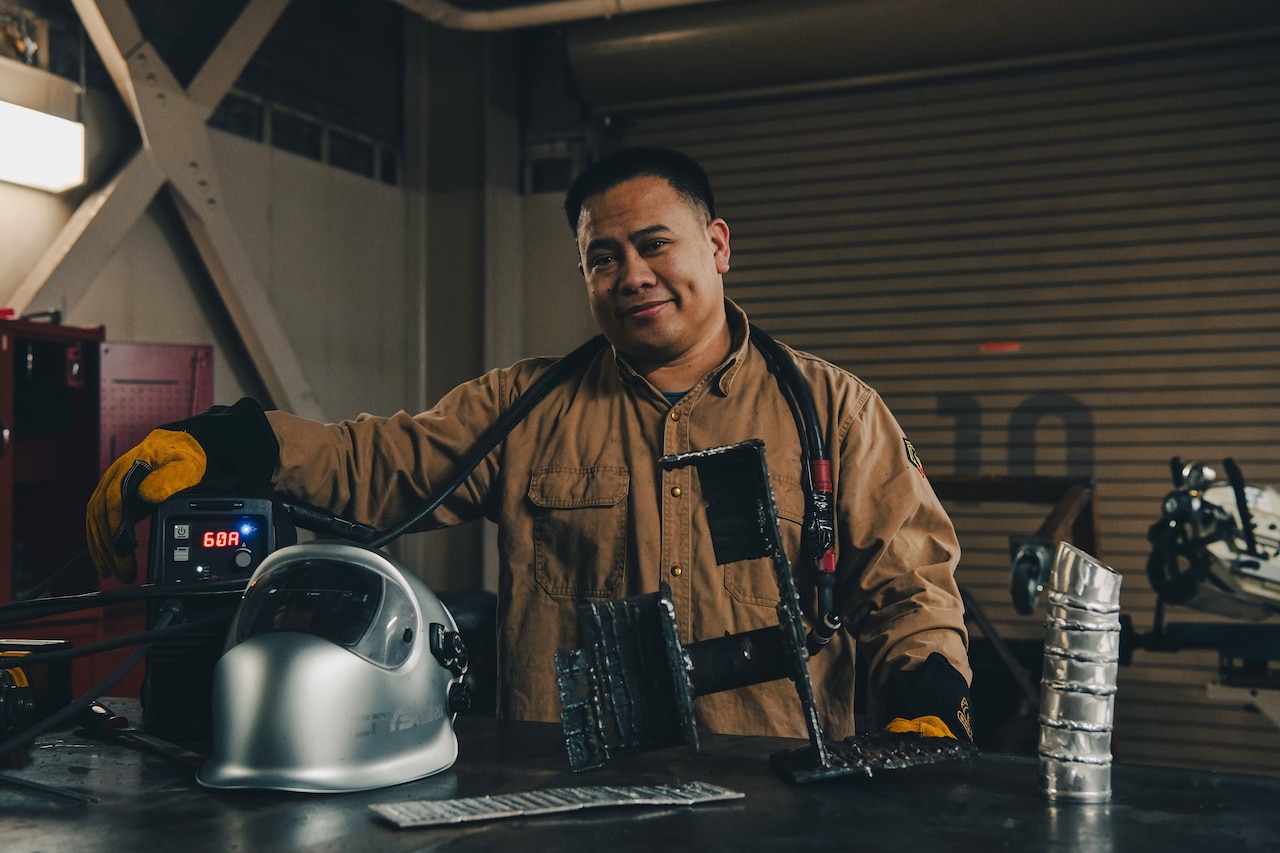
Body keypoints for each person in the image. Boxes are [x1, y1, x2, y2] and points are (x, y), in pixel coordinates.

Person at [87, 147, 972, 743]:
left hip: (771, 792)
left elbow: (910, 585)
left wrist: (929, 698)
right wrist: (235, 442)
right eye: (603, 257)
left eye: (654, 245)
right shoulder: (525, 407)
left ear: (717, 245)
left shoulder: (833, 411)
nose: (632, 276)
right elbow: (381, 463)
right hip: (566, 791)